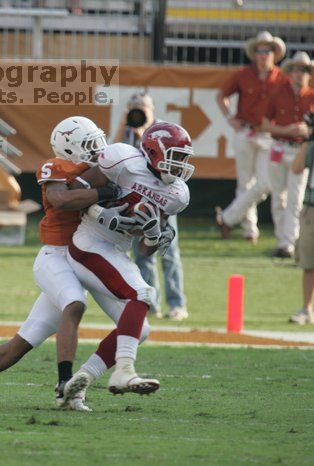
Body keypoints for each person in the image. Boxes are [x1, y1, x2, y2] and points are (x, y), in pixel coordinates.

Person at [0, 117, 115, 410]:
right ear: (69, 149)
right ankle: (65, 384)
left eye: (97, 141)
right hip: (54, 257)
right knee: (75, 304)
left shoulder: (105, 172)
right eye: (89, 144)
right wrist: (102, 192)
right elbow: (61, 200)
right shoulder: (57, 167)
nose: (97, 149)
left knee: (22, 343)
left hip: (82, 261)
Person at [61, 122, 194, 409]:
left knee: (139, 329)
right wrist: (101, 213)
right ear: (154, 151)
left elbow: (145, 251)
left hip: (115, 251)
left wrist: (153, 234)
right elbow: (77, 191)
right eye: (176, 155)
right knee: (142, 294)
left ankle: (79, 383)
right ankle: (124, 372)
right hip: (90, 243)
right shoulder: (123, 160)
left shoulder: (177, 194)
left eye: (184, 157)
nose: (181, 164)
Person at [117, 92, 188, 321]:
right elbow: (112, 152)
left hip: (164, 196)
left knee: (169, 251)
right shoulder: (127, 131)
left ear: (152, 109)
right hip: (138, 199)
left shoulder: (165, 132)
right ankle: (151, 303)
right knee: (142, 253)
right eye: (135, 107)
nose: (139, 111)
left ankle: (177, 304)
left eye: (143, 107)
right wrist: (126, 127)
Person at [215, 31, 287, 243]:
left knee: (265, 183)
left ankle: (227, 218)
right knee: (245, 182)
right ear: (254, 54)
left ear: (274, 54)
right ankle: (250, 230)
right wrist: (229, 118)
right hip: (245, 130)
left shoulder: (281, 78)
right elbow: (221, 96)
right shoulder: (242, 74)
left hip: (268, 135)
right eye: (260, 50)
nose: (263, 55)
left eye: (267, 51)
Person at [261, 52, 314, 259]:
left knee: (296, 198)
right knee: (278, 196)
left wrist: (308, 131)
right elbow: (264, 124)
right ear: (290, 72)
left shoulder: (313, 96)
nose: (299, 74)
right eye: (296, 69)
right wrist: (288, 130)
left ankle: (290, 242)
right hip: (279, 146)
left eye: (304, 70)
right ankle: (283, 240)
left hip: (301, 150)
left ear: (308, 74)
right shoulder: (277, 93)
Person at [289, 138, 314, 325]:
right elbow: (296, 167)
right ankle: (307, 309)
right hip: (312, 205)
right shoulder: (313, 144)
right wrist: (308, 140)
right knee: (308, 261)